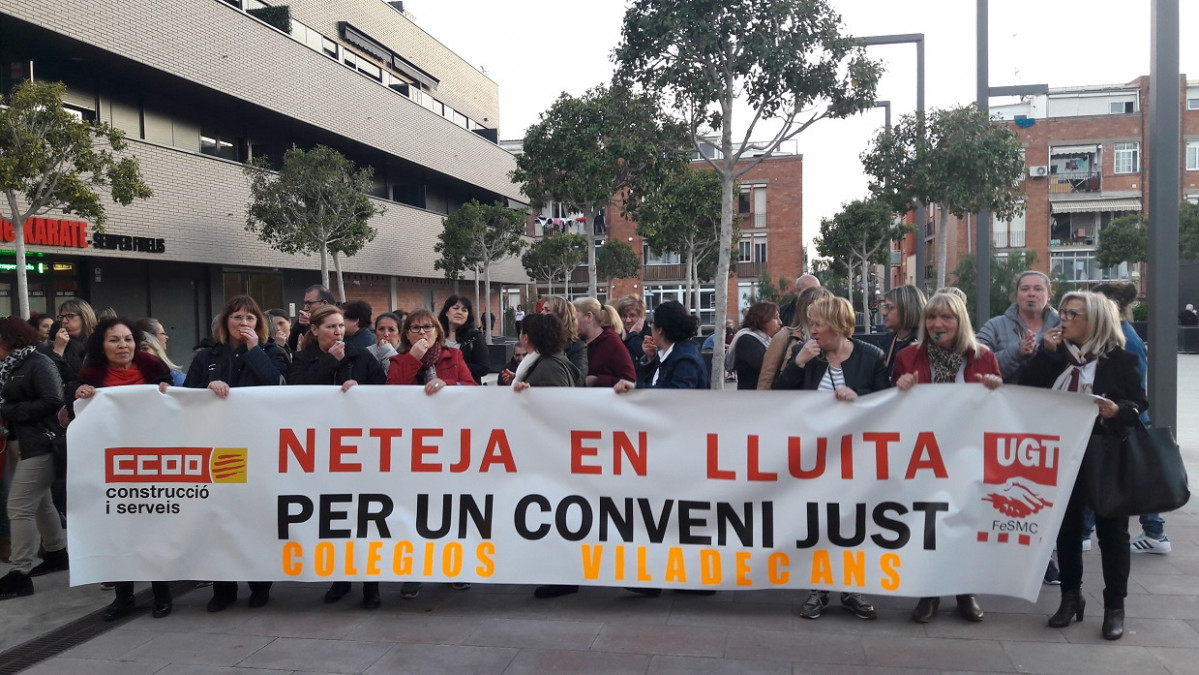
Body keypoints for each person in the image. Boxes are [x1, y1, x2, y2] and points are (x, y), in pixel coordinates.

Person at [1020, 291, 1146, 641]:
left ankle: (1114, 608)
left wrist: (1117, 410)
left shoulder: (1119, 358)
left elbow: (1138, 405)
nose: (1064, 319)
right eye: (1063, 312)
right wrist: (1044, 355)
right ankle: (1070, 598)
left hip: (1106, 456)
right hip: (1063, 456)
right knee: (1068, 531)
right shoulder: (1056, 355)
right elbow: (1026, 390)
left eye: (1073, 314)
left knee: (1113, 534)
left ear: (1095, 321)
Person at [773, 296, 887, 620]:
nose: (813, 330)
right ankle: (819, 588)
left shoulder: (871, 357)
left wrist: (859, 398)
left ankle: (851, 588)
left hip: (855, 457)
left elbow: (888, 403)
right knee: (818, 524)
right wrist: (798, 364)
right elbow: (778, 400)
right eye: (811, 324)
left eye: (818, 324)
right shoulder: (806, 355)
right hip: (814, 457)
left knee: (853, 523)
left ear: (838, 325)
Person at [893, 292, 1002, 623]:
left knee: (965, 519)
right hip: (924, 453)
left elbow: (1000, 410)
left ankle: (964, 589)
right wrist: (902, 387)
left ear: (960, 321)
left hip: (967, 452)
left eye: (946, 318)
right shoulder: (908, 356)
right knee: (929, 521)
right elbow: (890, 407)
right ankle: (929, 591)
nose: (937, 324)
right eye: (931, 318)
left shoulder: (983, 357)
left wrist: (996, 389)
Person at [184, 295, 289, 612]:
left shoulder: (272, 352)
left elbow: (276, 384)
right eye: (237, 317)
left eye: (250, 318)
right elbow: (187, 396)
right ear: (224, 322)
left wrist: (254, 349)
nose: (244, 323)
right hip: (220, 448)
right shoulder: (207, 356)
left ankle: (260, 585)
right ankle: (223, 588)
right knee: (220, 517)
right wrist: (208, 387)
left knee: (255, 517)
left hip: (258, 447)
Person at [71, 317, 175, 619]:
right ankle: (123, 596)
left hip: (154, 461)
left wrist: (169, 391)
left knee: (154, 526)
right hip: (113, 466)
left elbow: (180, 402)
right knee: (118, 528)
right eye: (114, 340)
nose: (122, 345)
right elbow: (75, 411)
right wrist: (80, 394)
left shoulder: (153, 368)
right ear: (101, 345)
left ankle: (161, 594)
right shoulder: (90, 374)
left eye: (128, 339)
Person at [386, 309, 476, 597]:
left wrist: (448, 386)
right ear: (405, 334)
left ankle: (453, 567)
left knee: (449, 507)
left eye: (427, 327)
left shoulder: (455, 358)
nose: (422, 332)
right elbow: (393, 391)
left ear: (438, 331)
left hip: (449, 443)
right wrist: (413, 357)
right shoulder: (399, 360)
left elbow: (472, 388)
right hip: (412, 445)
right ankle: (414, 571)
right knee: (414, 509)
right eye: (414, 328)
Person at [1092, 282, 1168, 555]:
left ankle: (1155, 531)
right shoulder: (1125, 332)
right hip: (1131, 413)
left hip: (1129, 415)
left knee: (1138, 474)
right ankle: (1154, 530)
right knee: (1135, 472)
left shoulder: (1124, 337)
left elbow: (1133, 383)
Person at [0, 317, 66, 602]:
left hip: (43, 443)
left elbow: (54, 400)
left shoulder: (38, 363)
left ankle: (19, 573)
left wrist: (10, 410)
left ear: (8, 340)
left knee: (19, 506)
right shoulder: (10, 366)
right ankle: (56, 552)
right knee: (40, 502)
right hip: (22, 443)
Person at [977, 271, 1061, 384]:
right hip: (1004, 399)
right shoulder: (994, 326)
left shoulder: (1062, 327)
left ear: (1049, 296)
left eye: (1038, 289)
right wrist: (1017, 352)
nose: (1031, 294)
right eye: (1025, 289)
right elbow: (978, 364)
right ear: (1016, 295)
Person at [615, 300, 709, 392]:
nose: (650, 326)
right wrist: (650, 357)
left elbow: (677, 394)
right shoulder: (677, 351)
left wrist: (636, 387)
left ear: (659, 330)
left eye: (652, 323)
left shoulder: (685, 358)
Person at [288, 305, 386, 390]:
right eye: (331, 327)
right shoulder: (302, 358)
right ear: (314, 330)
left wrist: (359, 389)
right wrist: (330, 360)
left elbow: (381, 388)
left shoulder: (362, 355)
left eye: (341, 326)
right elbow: (297, 389)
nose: (338, 332)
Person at [757, 286, 832, 389]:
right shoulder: (784, 337)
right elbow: (766, 379)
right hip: (790, 400)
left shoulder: (835, 340)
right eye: (822, 306)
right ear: (806, 309)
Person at [574, 297, 635, 387]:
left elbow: (629, 379)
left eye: (574, 317)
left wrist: (598, 380)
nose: (572, 322)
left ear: (589, 316)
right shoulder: (576, 342)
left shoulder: (612, 342)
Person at [39, 298, 97, 391]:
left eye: (70, 316)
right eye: (62, 317)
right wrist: (58, 350)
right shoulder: (56, 344)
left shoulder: (99, 343)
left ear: (85, 317)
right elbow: (47, 378)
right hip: (67, 401)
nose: (64, 321)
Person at [726, 301, 782, 389]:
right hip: (752, 398)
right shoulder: (747, 341)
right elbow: (769, 368)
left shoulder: (766, 340)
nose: (780, 322)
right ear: (763, 319)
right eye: (776, 318)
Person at [880, 285, 927, 380]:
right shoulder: (886, 342)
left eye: (890, 308)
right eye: (885, 307)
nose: (884, 313)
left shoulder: (925, 344)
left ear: (907, 309)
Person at [437, 295, 489, 383]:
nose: (459, 312)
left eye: (464, 310)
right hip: (437, 388)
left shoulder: (475, 337)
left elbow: (483, 368)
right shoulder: (436, 335)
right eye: (455, 308)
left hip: (467, 390)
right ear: (446, 312)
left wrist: (455, 365)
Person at [540, 296, 587, 385]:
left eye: (547, 310)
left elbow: (578, 379)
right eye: (542, 309)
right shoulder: (539, 343)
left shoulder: (577, 347)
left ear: (560, 317)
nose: (542, 313)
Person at [288, 285, 335, 352]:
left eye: (309, 303)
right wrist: (300, 326)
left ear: (324, 303)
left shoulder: (340, 321)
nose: (305, 308)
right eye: (305, 303)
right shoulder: (306, 321)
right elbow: (292, 345)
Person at [617, 295, 649, 379]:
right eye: (624, 316)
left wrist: (632, 335)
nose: (628, 320)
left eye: (632, 315)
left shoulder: (649, 335)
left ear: (641, 317)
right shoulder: (617, 335)